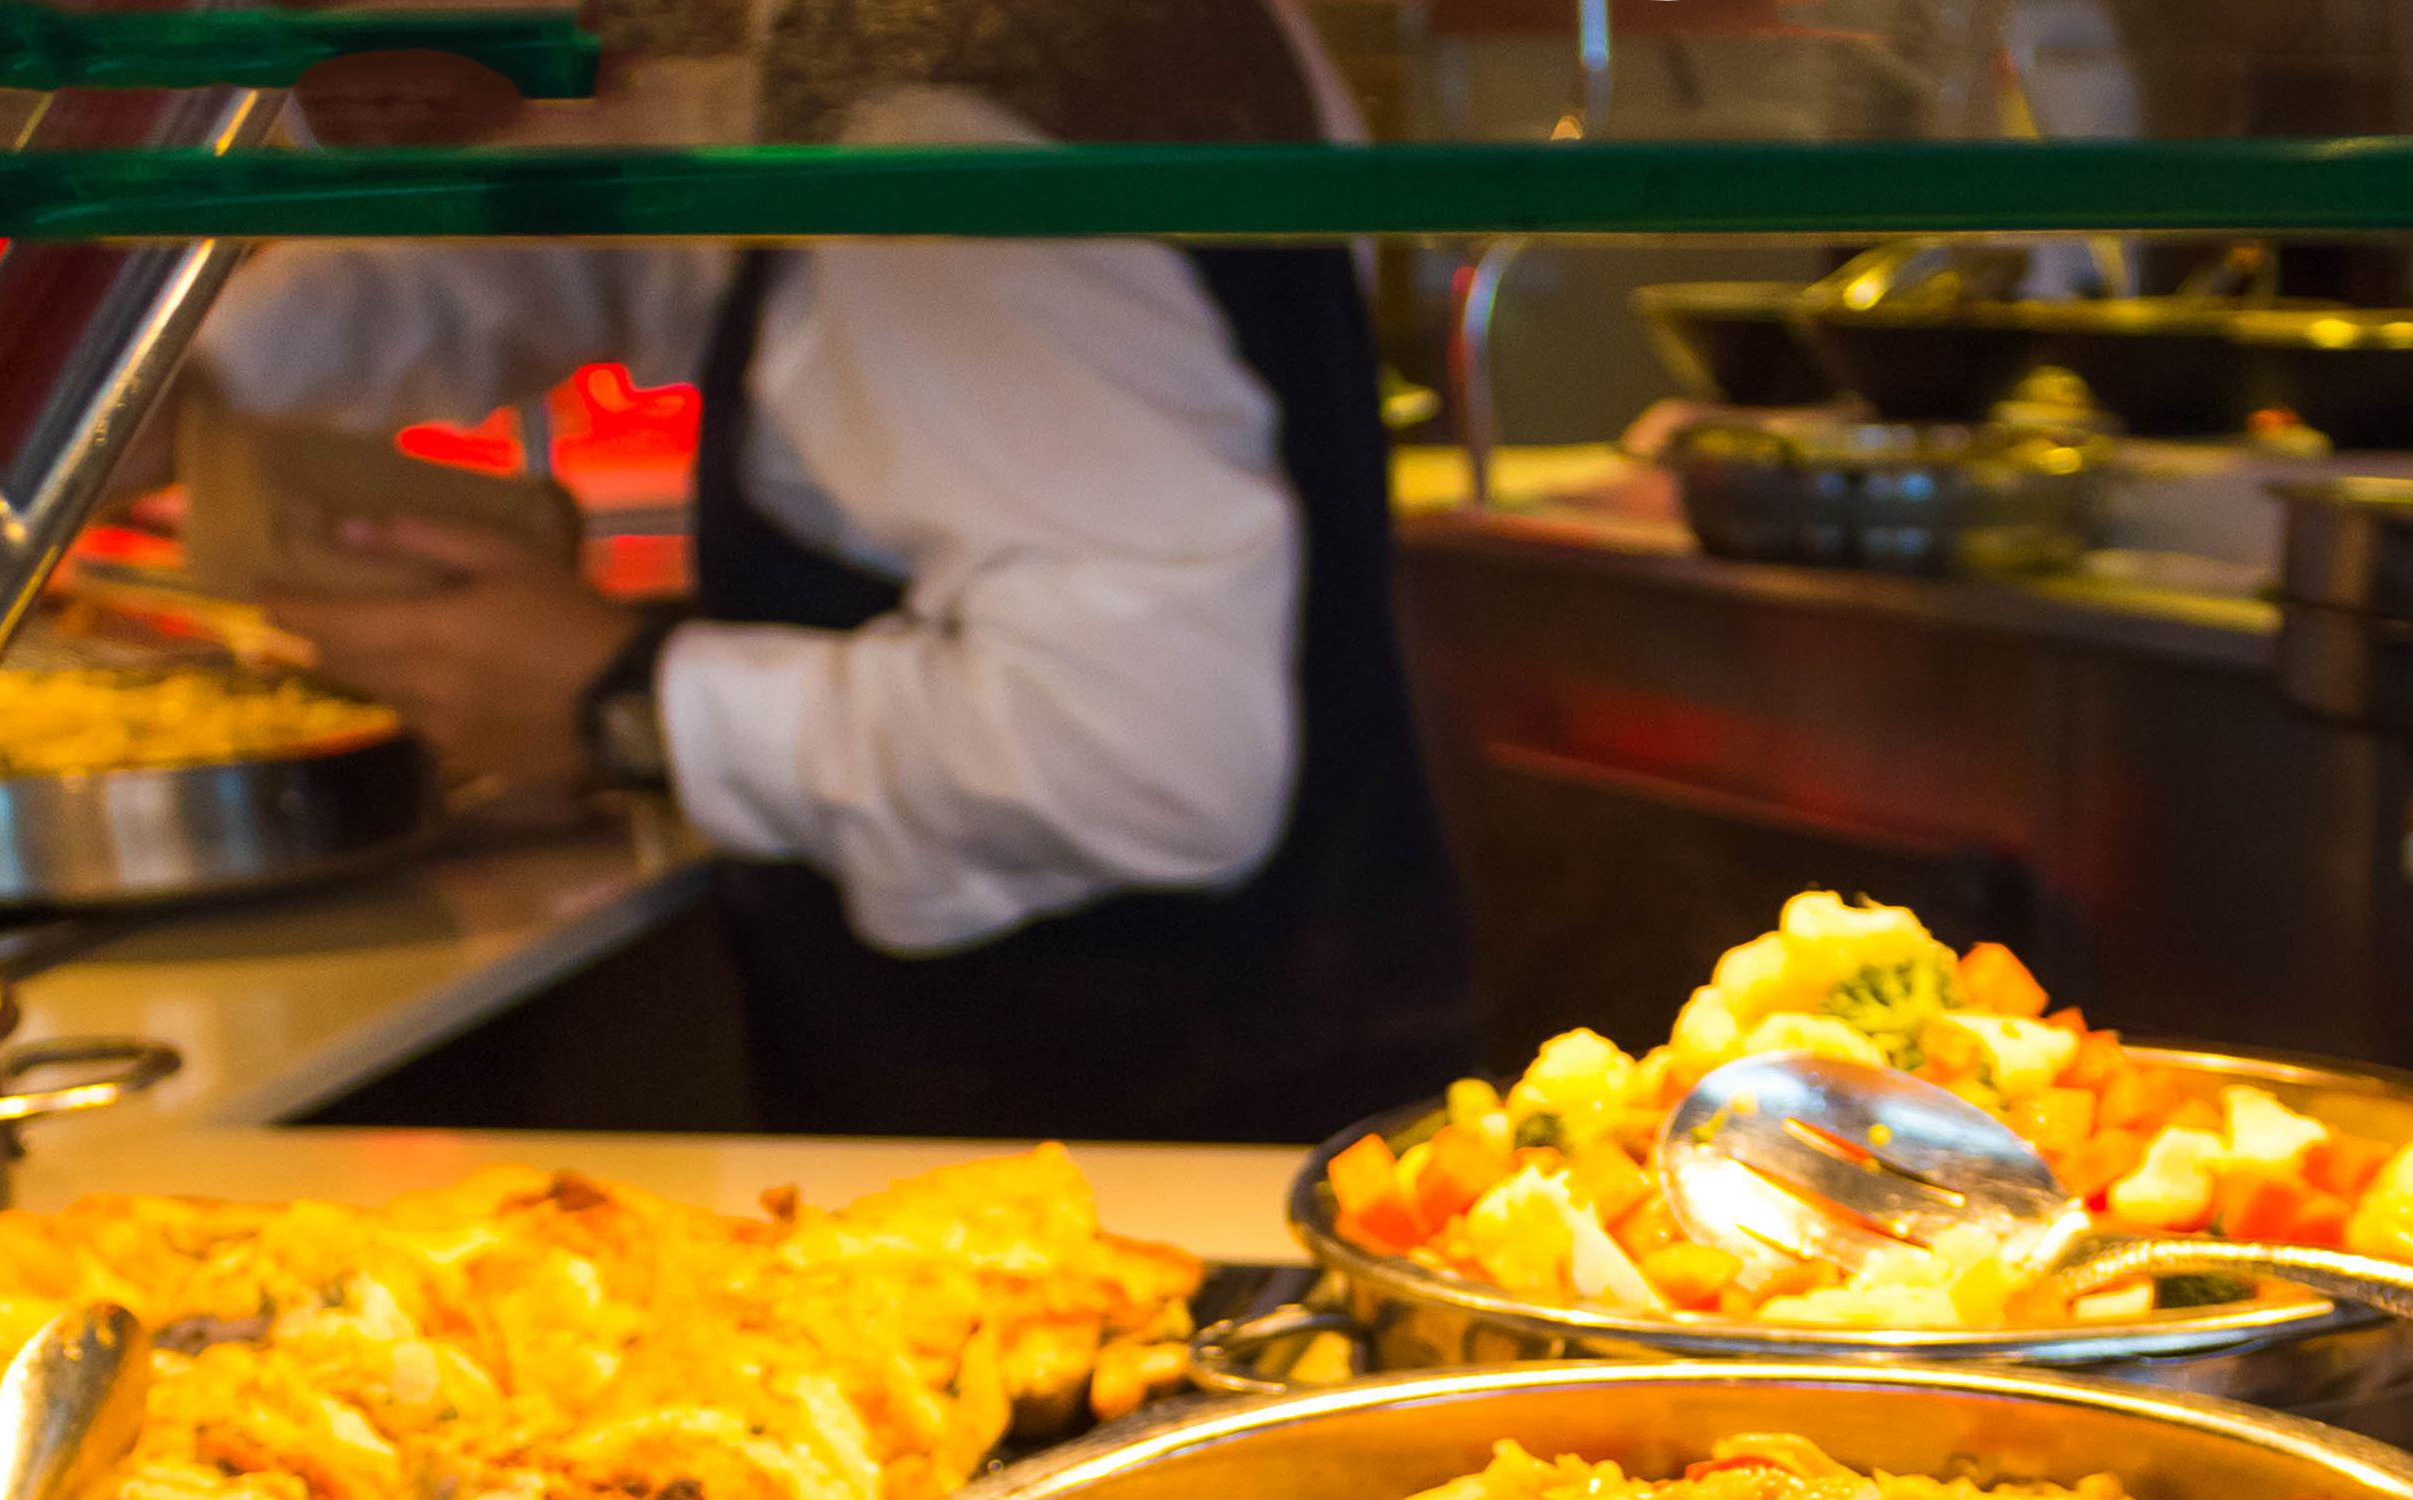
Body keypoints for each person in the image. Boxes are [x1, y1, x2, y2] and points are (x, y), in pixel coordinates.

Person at [197, 0, 1470, 1141]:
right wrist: (193, 372)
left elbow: (1155, 757)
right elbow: (632, 247)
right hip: (1270, 1067)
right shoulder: (915, 59)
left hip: (1117, 1137)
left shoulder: (934, 123)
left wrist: (617, 695)